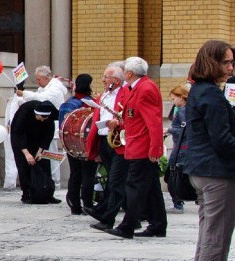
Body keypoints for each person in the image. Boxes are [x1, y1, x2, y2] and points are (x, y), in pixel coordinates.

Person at [181, 40, 235, 261]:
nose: (230, 68)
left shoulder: (201, 91)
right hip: (217, 174)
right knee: (216, 240)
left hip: (204, 172)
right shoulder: (211, 96)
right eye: (226, 62)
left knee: (208, 239)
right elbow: (223, 141)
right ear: (212, 62)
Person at [105, 57, 167, 239]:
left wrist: (155, 148)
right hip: (137, 144)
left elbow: (153, 122)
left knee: (134, 187)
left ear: (130, 73)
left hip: (142, 147)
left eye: (124, 71)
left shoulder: (145, 88)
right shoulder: (137, 87)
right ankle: (158, 224)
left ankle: (127, 226)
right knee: (152, 188)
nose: (123, 74)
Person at [85, 64, 131, 232]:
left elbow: (128, 116)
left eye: (106, 77)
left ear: (116, 80)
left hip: (118, 140)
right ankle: (131, 217)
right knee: (115, 180)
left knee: (115, 180)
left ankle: (107, 216)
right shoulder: (105, 95)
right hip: (105, 139)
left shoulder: (125, 93)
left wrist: (118, 123)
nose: (103, 80)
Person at [17, 65, 67, 187]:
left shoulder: (55, 89)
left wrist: (24, 93)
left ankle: (55, 181)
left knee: (52, 154)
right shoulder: (43, 88)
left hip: (52, 127)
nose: (37, 82)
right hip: (43, 127)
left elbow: (41, 100)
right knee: (45, 155)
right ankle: (46, 180)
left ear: (46, 78)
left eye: (39, 79)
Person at [59, 74, 97, 215]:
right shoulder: (92, 103)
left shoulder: (68, 104)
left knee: (75, 174)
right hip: (88, 143)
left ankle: (74, 205)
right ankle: (87, 204)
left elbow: (63, 126)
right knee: (88, 174)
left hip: (71, 143)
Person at [10, 100, 60, 204]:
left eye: (45, 118)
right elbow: (18, 134)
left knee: (44, 165)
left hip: (38, 139)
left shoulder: (48, 117)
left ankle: (47, 194)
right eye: (40, 117)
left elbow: (48, 134)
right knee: (24, 166)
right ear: (35, 113)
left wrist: (41, 150)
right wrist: (27, 153)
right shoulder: (25, 112)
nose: (42, 120)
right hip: (22, 140)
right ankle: (27, 194)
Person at [165, 84, 190, 213]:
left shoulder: (182, 111)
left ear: (181, 98)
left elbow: (184, 130)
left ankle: (178, 203)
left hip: (181, 148)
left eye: (174, 98)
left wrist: (169, 130)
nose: (173, 101)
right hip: (180, 146)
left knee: (173, 176)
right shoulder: (182, 110)